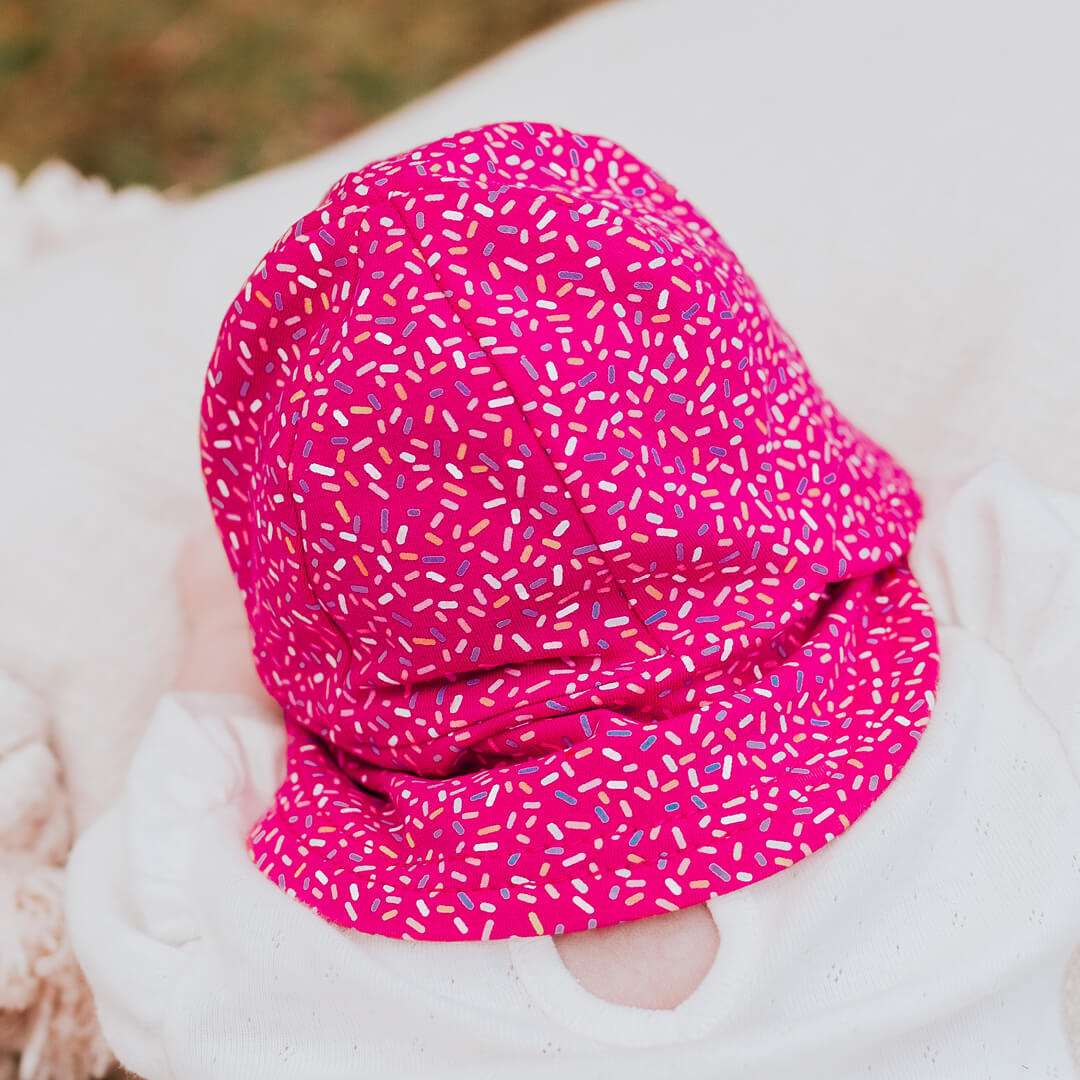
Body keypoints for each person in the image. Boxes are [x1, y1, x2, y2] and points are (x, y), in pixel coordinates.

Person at [65, 119, 1080, 1078]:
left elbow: (149, 910)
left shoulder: (264, 956)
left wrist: (219, 638)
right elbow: (1023, 559)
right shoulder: (987, 741)